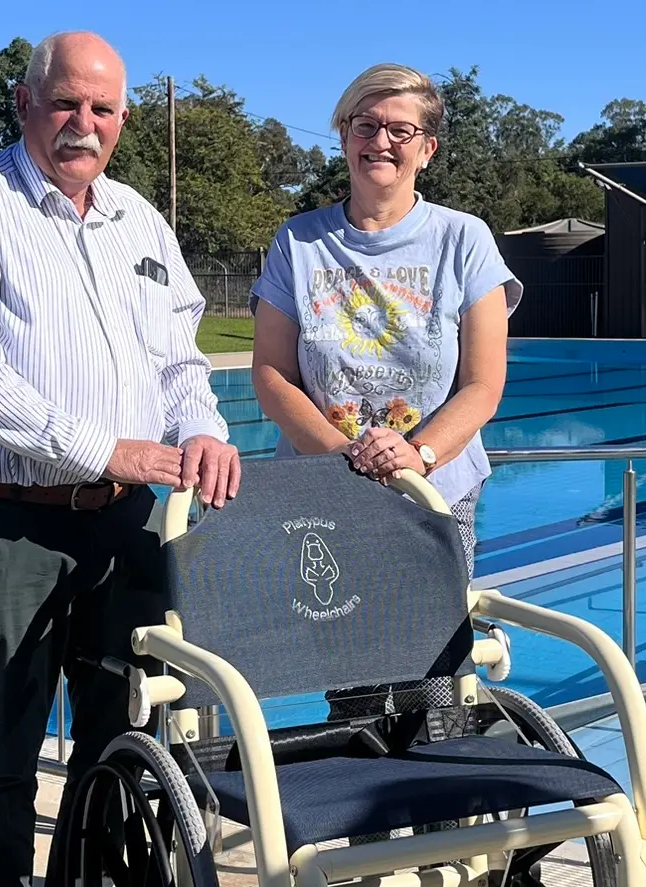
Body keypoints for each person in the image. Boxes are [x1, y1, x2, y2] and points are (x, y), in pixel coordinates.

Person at [0, 30, 240, 887]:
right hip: (7, 521)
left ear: (122, 119)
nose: (83, 123)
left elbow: (179, 362)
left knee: (122, 737)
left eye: (103, 108)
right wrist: (106, 449)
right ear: (26, 104)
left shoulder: (140, 219)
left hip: (127, 526)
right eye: (65, 103)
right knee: (2, 749)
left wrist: (203, 428)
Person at [248, 62, 522, 747]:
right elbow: (272, 374)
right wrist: (344, 456)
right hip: (328, 496)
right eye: (365, 125)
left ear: (427, 148)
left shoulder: (463, 240)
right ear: (343, 136)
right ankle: (364, 811)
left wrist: (417, 454)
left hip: (433, 496)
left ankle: (441, 809)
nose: (381, 141)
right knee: (353, 688)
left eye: (401, 130)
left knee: (435, 687)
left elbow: (483, 382)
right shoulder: (298, 242)